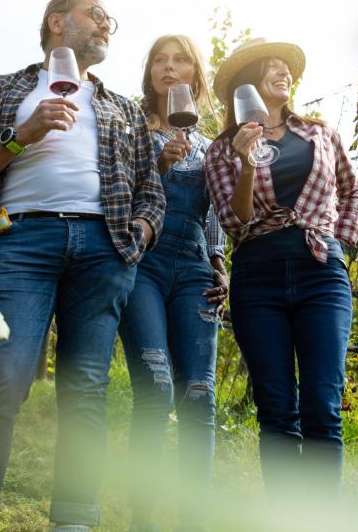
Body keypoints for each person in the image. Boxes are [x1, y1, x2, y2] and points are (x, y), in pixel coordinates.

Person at [0, 0, 166, 532]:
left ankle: (74, 521)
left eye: (112, 18)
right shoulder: (2, 90)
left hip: (103, 250)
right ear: (56, 22)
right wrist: (21, 136)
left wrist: (137, 234)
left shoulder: (123, 110)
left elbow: (151, 191)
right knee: (3, 378)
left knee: (86, 391)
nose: (107, 24)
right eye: (96, 13)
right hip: (20, 244)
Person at [204, 38, 358, 498]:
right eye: (270, 67)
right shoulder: (222, 151)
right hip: (258, 275)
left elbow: (352, 191)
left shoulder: (319, 133)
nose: (283, 72)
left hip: (321, 271)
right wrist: (246, 161)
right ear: (246, 86)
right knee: (276, 410)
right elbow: (235, 222)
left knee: (323, 407)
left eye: (285, 67)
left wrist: (341, 243)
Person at [118, 35, 228, 531]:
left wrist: (220, 262)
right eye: (159, 61)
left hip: (195, 271)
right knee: (157, 390)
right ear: (149, 75)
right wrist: (159, 167)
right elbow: (119, 201)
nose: (168, 68)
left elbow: (214, 217)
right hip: (143, 264)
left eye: (179, 60)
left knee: (199, 397)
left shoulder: (210, 147)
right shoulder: (131, 131)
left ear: (194, 74)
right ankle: (141, 519)